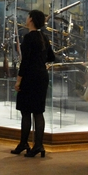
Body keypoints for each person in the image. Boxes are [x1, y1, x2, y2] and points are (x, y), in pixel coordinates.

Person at [12, 9, 55, 158]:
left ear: (31, 19)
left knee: (26, 111)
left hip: (30, 77)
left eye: (28, 16)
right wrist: (40, 61)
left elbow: (25, 62)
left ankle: (24, 143)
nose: (26, 18)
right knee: (38, 112)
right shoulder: (44, 37)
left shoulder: (29, 38)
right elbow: (51, 57)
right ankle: (38, 145)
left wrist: (18, 80)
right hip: (42, 76)